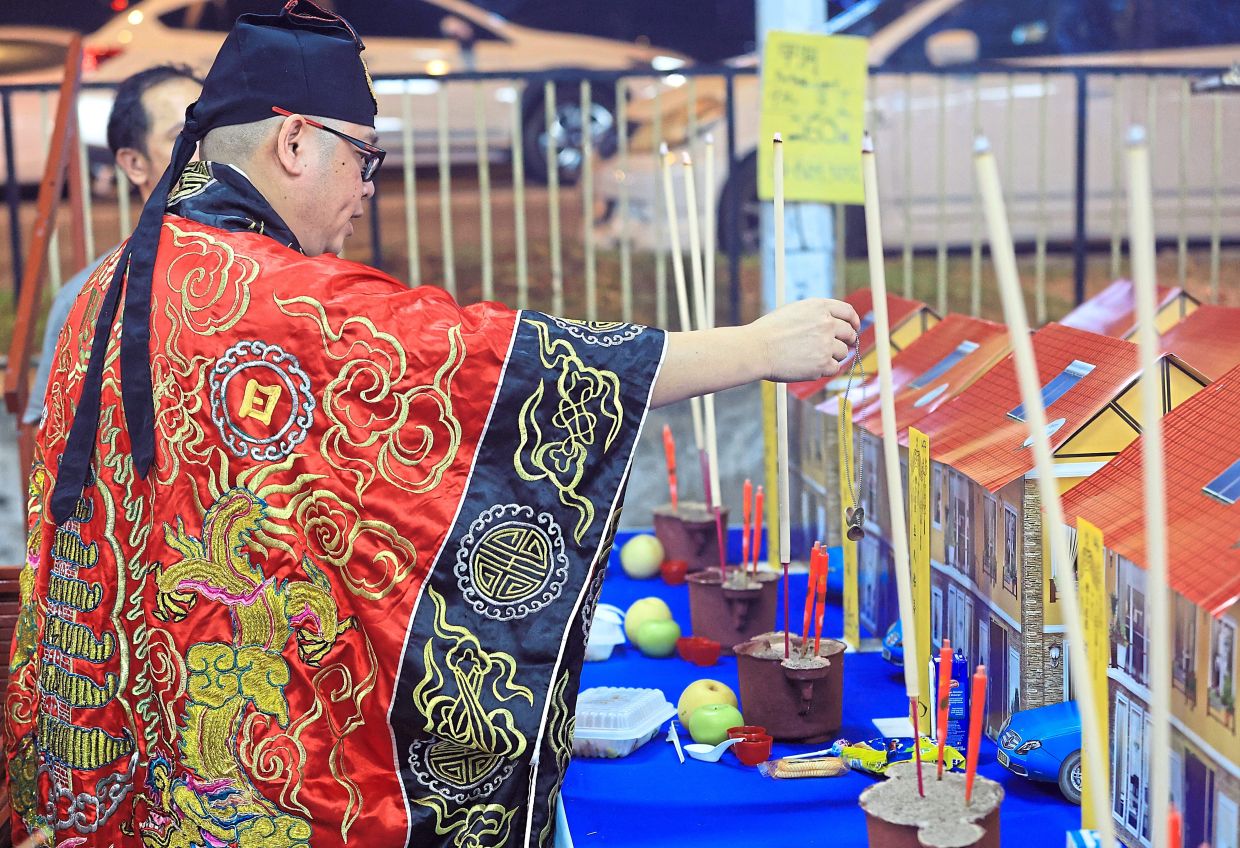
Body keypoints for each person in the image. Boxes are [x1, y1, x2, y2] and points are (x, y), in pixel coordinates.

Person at [4, 4, 859, 847]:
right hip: (240, 778)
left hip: (105, 745)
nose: (368, 189)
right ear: (295, 142)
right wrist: (752, 347)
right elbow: (499, 365)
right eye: (364, 156)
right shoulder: (274, 297)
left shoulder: (114, 282)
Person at [22, 64, 203, 426]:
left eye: (213, 128)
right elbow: (52, 435)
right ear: (135, 163)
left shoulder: (284, 264)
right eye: (183, 135)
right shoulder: (86, 298)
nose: (208, 149)